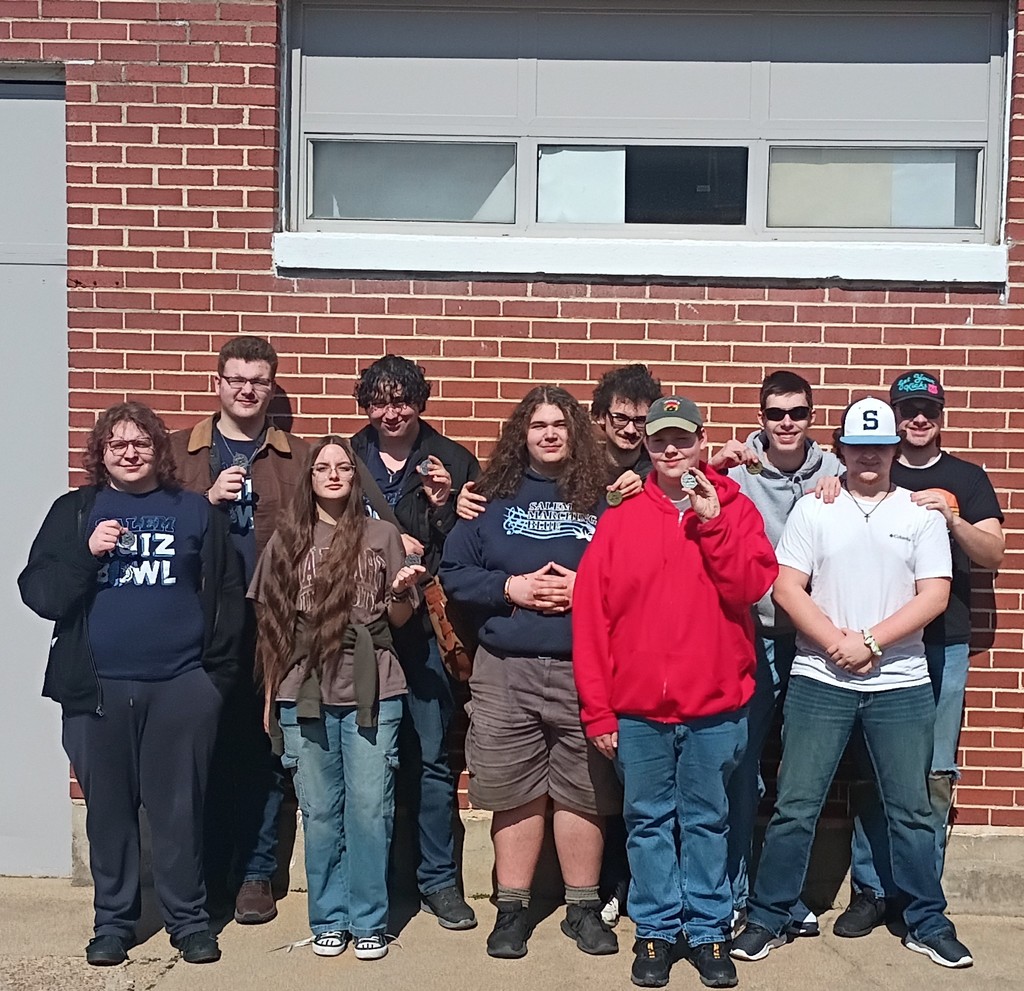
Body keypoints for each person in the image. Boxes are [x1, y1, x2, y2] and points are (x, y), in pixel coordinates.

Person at [731, 397, 974, 970]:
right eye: (859, 446)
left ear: (894, 450)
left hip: (901, 682)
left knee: (911, 809)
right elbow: (786, 586)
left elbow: (935, 595)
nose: (869, 456)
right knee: (796, 805)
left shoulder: (919, 513)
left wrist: (869, 642)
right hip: (820, 678)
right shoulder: (814, 509)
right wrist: (834, 643)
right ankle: (769, 915)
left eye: (880, 447)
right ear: (841, 449)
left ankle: (926, 920)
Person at [19, 402, 244, 966]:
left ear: (158, 450)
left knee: (179, 812)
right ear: (101, 452)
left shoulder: (194, 511)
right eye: (116, 444)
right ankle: (113, 925)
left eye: (140, 442)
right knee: (109, 814)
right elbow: (41, 593)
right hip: (96, 691)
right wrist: (86, 553)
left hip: (180, 687)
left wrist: (210, 684)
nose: (129, 453)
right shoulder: (75, 511)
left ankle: (188, 922)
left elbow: (226, 598)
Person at [573, 396, 778, 989]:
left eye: (682, 439)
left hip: (714, 706)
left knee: (708, 821)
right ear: (647, 444)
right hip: (639, 710)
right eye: (660, 439)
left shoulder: (734, 508)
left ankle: (710, 929)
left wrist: (712, 523)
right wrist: (598, 711)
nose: (670, 450)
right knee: (647, 823)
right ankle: (657, 930)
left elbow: (750, 586)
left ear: (701, 441)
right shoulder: (622, 517)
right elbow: (593, 618)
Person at [439, 385, 619, 960]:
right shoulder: (488, 499)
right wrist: (509, 588)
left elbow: (635, 574)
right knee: (513, 790)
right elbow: (453, 573)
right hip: (505, 669)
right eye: (538, 425)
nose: (549, 434)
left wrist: (587, 588)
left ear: (575, 433)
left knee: (584, 791)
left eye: (559, 425)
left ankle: (582, 909)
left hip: (584, 668)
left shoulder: (605, 498)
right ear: (522, 433)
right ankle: (511, 910)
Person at [837, 371, 1005, 938]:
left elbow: (994, 553)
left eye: (927, 410)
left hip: (941, 644)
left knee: (932, 772)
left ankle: (919, 899)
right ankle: (870, 891)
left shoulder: (966, 477)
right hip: (875, 643)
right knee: (872, 770)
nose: (917, 420)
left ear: (941, 416)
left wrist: (953, 518)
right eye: (907, 410)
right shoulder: (867, 468)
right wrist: (830, 484)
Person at [249, 436, 425, 960]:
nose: (332, 474)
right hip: (303, 688)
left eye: (342, 467)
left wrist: (399, 592)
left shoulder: (382, 534)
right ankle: (328, 917)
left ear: (355, 476)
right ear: (309, 478)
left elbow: (400, 618)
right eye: (321, 467)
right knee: (320, 811)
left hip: (374, 685)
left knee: (370, 809)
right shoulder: (287, 538)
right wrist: (269, 697)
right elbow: (270, 625)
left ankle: (369, 920)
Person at [170, 336, 310, 925]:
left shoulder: (298, 457)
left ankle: (255, 873)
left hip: (270, 623)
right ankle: (204, 871)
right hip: (196, 624)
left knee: (261, 749)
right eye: (236, 379)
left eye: (258, 381)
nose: (247, 390)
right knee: (199, 750)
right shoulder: (179, 452)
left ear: (271, 388)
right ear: (218, 384)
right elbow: (151, 524)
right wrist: (205, 500)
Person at [350, 355, 480, 930]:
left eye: (401, 400)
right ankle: (371, 881)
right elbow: (320, 531)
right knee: (364, 759)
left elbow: (474, 545)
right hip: (362, 630)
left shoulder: (452, 459)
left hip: (427, 631)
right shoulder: (345, 456)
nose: (391, 412)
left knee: (430, 758)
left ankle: (438, 881)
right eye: (379, 401)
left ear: (420, 402)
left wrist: (443, 509)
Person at [720, 371, 842, 939]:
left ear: (811, 416)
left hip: (818, 639)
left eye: (797, 413)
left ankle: (783, 896)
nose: (786, 423)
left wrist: (843, 484)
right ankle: (737, 893)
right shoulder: (739, 471)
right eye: (776, 413)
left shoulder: (837, 469)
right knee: (742, 765)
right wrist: (715, 468)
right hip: (755, 635)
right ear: (761, 418)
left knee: (803, 771)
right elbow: (681, 499)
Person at [457, 364, 663, 522]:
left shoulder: (661, 472)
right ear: (600, 416)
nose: (630, 430)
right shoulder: (578, 464)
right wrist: (465, 500)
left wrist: (648, 482)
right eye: (620, 418)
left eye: (640, 420)